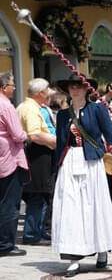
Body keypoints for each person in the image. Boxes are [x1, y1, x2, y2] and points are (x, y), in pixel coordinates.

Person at [52, 75, 112, 277]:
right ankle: (73, 259)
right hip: (69, 163)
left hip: (92, 163)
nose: (75, 91)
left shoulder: (97, 109)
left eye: (79, 87)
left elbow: (111, 138)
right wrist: (56, 169)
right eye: (72, 88)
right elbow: (60, 144)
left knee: (96, 206)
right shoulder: (62, 115)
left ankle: (102, 251)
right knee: (70, 209)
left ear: (86, 90)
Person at [17, 78, 56, 245]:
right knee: (38, 194)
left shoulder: (26, 106)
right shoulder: (31, 109)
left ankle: (37, 231)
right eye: (47, 90)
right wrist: (57, 140)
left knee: (38, 194)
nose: (48, 94)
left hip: (34, 153)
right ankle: (32, 234)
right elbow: (35, 134)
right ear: (41, 93)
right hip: (37, 154)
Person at [0, 72, 28, 257]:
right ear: (4, 87)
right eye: (12, 84)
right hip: (9, 158)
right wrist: (27, 136)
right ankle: (6, 244)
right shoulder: (6, 105)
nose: (14, 87)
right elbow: (18, 134)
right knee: (9, 204)